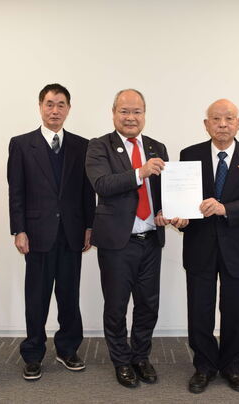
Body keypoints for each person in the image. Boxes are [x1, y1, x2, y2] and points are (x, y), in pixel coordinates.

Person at [85, 89, 182, 388]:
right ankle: (121, 361)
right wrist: (140, 172)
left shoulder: (157, 147)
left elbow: (165, 191)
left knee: (148, 306)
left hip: (151, 239)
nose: (130, 117)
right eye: (124, 111)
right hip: (118, 243)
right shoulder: (99, 146)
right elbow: (102, 183)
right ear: (114, 113)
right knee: (116, 307)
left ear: (144, 114)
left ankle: (141, 357)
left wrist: (168, 211)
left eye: (136, 111)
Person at [176, 99, 239, 394]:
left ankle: (232, 365)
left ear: (238, 123)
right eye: (216, 119)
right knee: (199, 310)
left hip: (238, 249)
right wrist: (180, 218)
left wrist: (224, 208)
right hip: (199, 246)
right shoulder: (189, 155)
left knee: (235, 311)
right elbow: (183, 199)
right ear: (206, 124)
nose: (222, 124)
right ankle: (204, 366)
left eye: (229, 118)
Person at [7, 83, 95, 381]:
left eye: (60, 104)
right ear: (40, 106)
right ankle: (33, 354)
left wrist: (89, 226)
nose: (54, 110)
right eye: (49, 104)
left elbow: (87, 192)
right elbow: (16, 192)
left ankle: (67, 349)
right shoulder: (22, 144)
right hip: (36, 234)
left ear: (68, 109)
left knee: (69, 296)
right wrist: (19, 230)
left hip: (71, 233)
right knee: (37, 297)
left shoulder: (82, 145)